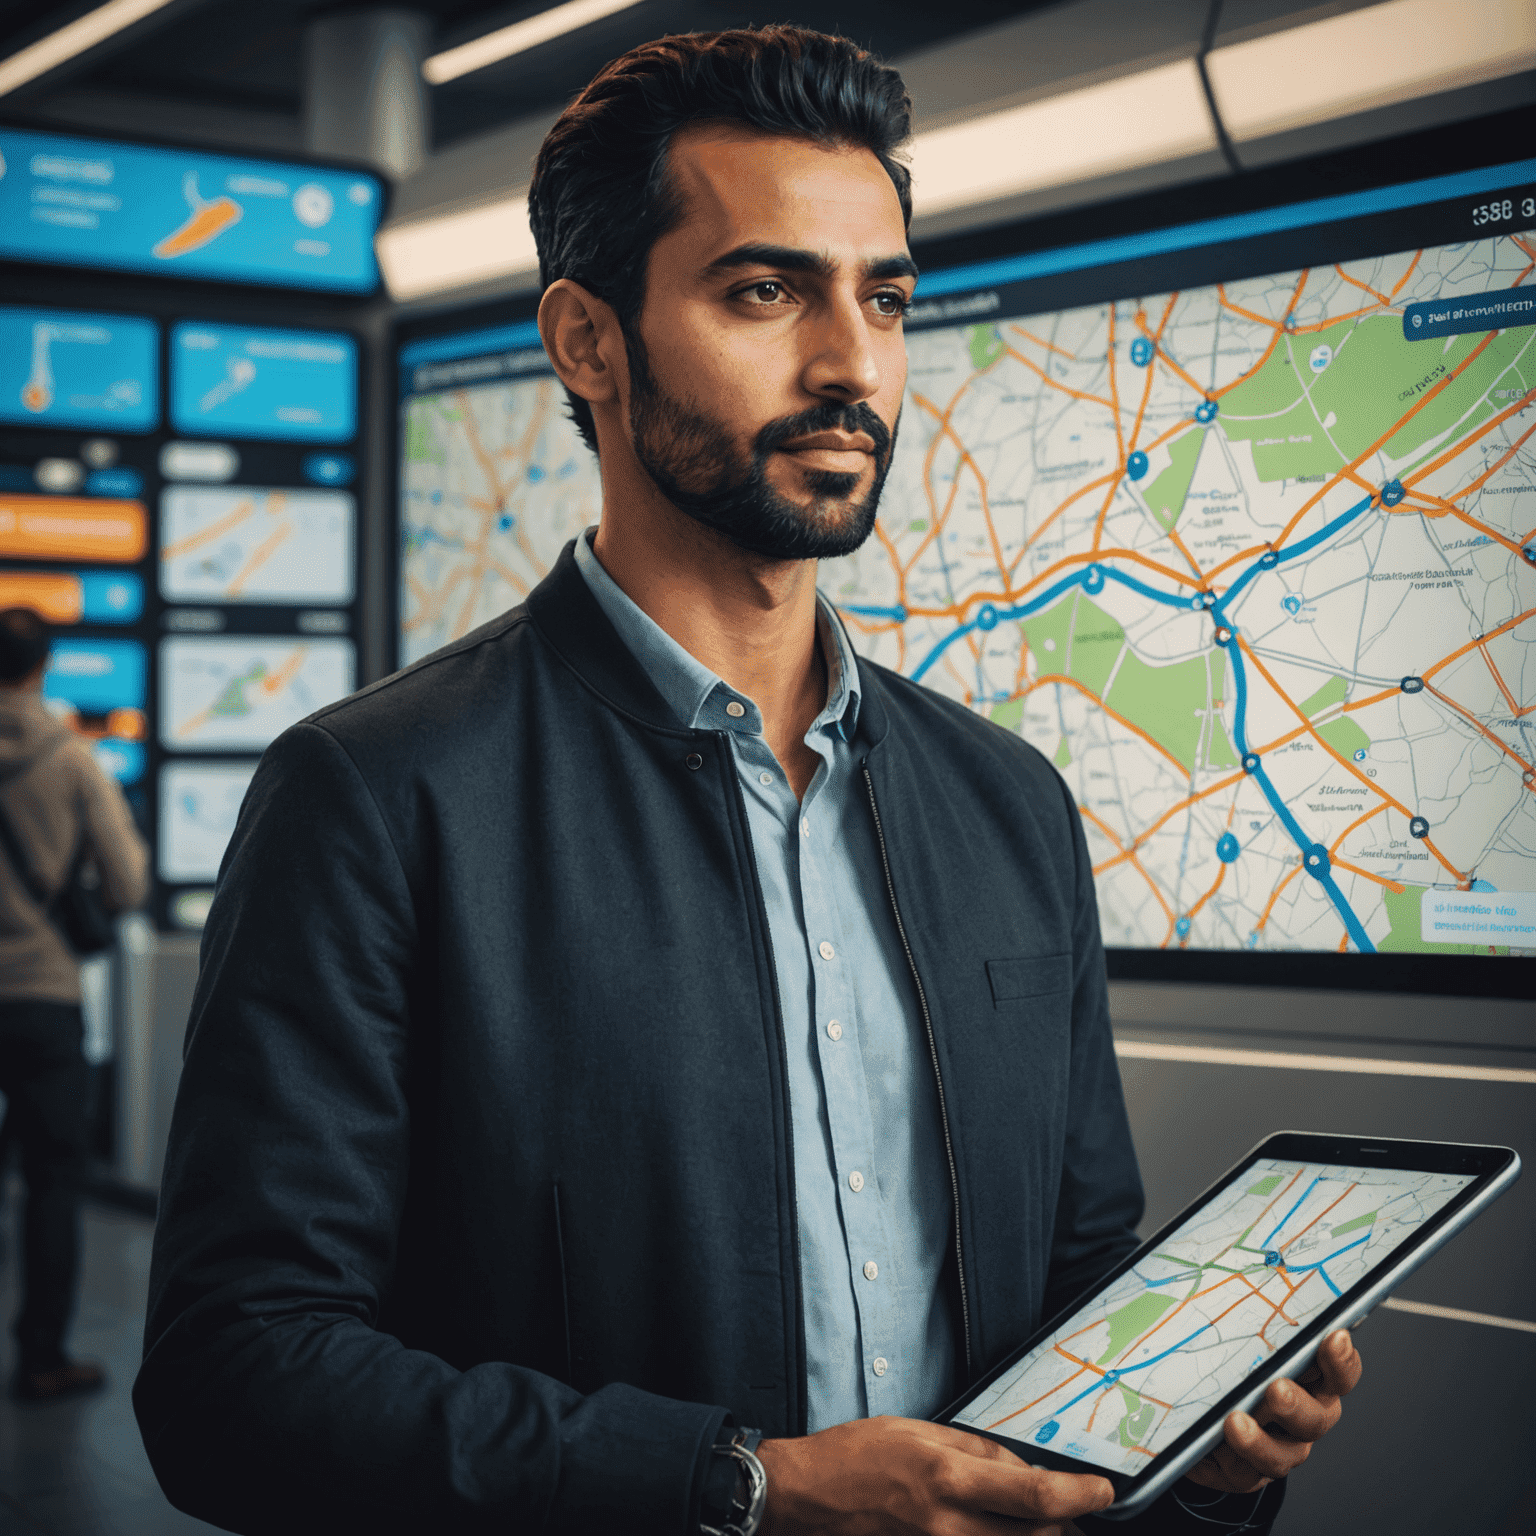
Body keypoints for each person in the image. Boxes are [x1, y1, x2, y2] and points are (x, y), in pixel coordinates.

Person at [136, 27, 1362, 1536]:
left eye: (886, 298)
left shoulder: (1010, 806)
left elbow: (1074, 1286)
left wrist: (1196, 1427)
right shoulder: (378, 799)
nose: (851, 363)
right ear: (589, 342)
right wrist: (741, 1491)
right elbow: (234, 1377)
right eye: (766, 291)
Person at [0, 607, 148, 1400]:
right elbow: (125, 885)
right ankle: (42, 1356)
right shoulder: (71, 761)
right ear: (43, 666)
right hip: (43, 996)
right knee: (55, 1180)